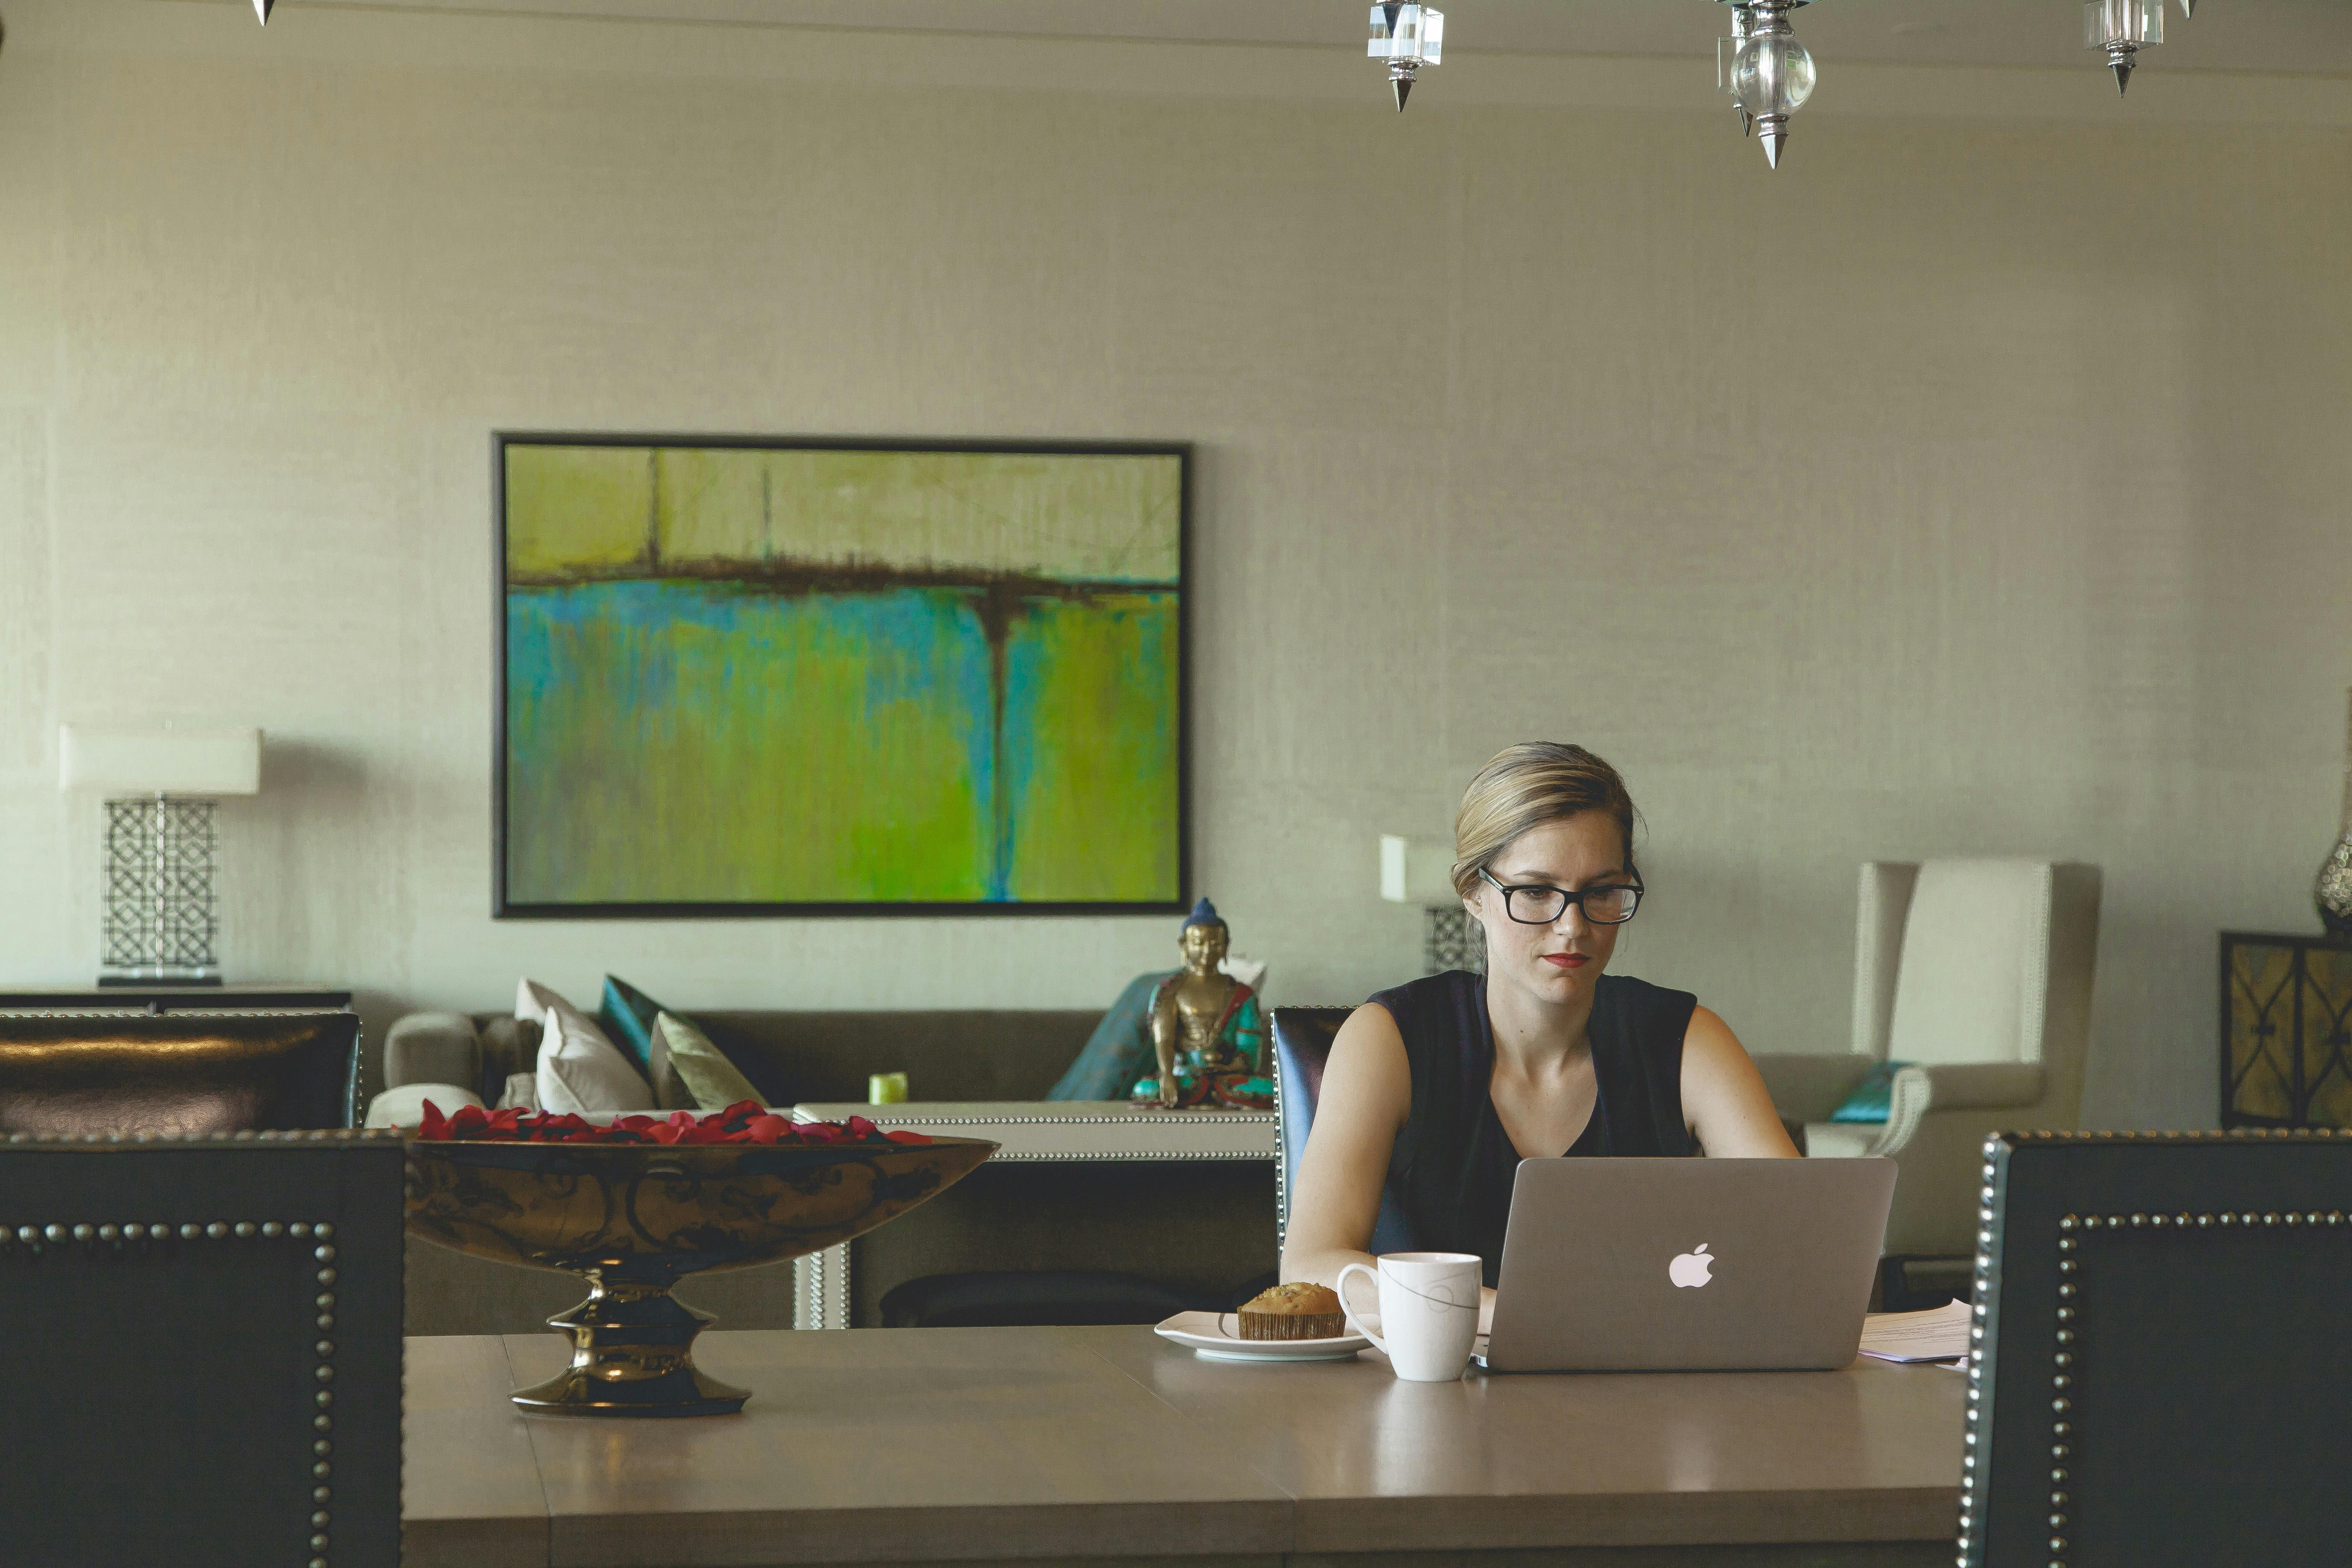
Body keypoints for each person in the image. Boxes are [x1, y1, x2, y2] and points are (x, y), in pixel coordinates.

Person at [1280, 742, 1797, 1322]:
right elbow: (1310, 1265)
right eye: (1534, 892)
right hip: (1427, 1389)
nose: (1572, 926)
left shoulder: (1687, 1040)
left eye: (1601, 892)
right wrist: (1518, 1319)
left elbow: (1800, 1246)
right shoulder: (1389, 1039)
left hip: (1639, 1392)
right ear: (1474, 893)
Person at [1130, 898, 1272, 1109]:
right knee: (1145, 1089)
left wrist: (1226, 1066)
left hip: (1228, 1078)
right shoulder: (1170, 991)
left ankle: (1210, 1093)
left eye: (1215, 944)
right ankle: (1210, 1094)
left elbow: (1249, 1050)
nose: (1208, 950)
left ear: (1227, 945)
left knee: (1270, 1089)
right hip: (1185, 1075)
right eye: (1199, 943)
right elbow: (1164, 1039)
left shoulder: (1242, 994)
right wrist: (1167, 1075)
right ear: (1184, 945)